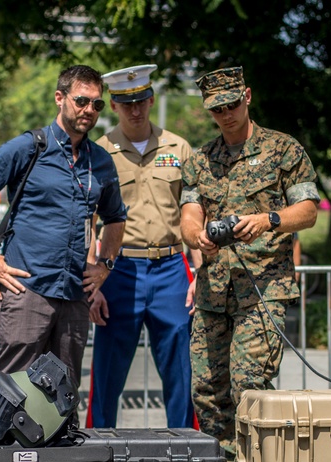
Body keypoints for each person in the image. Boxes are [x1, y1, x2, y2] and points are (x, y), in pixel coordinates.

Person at [0, 65, 128, 389]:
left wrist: (105, 265)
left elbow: (116, 216)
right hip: (26, 291)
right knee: (7, 394)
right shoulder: (28, 147)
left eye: (97, 104)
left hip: (75, 297)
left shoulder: (101, 161)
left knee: (62, 401)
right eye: (81, 100)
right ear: (60, 98)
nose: (89, 109)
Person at [179, 66, 319, 462]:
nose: (226, 114)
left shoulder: (283, 150)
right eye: (217, 109)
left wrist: (269, 220)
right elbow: (189, 215)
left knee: (248, 386)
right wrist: (197, 236)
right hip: (213, 293)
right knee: (207, 390)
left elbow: (308, 211)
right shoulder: (201, 160)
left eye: (232, 104)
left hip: (263, 290)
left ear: (248, 97)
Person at [87, 64, 199, 428]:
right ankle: (98, 453)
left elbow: (193, 214)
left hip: (171, 269)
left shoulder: (178, 147)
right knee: (106, 372)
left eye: (141, 101)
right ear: (114, 106)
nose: (135, 109)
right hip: (118, 270)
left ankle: (185, 453)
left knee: (182, 369)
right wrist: (93, 283)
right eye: (125, 102)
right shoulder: (99, 152)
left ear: (151, 100)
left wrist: (199, 272)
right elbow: (89, 222)